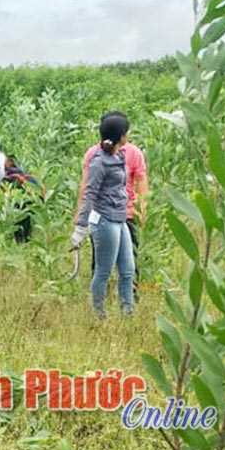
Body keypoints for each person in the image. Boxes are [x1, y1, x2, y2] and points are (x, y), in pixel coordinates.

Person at [72, 113, 135, 318]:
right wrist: (81, 227)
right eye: (126, 132)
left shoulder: (120, 155)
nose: (129, 135)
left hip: (120, 218)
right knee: (104, 271)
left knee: (128, 270)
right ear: (120, 136)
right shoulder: (99, 161)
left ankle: (128, 313)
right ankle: (98, 315)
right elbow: (90, 193)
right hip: (105, 221)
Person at [78, 111, 148, 295]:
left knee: (129, 264)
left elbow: (141, 182)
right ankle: (100, 306)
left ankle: (129, 302)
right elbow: (88, 188)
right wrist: (81, 219)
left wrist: (141, 209)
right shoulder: (95, 156)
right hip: (102, 216)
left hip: (127, 215)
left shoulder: (132, 154)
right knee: (102, 264)